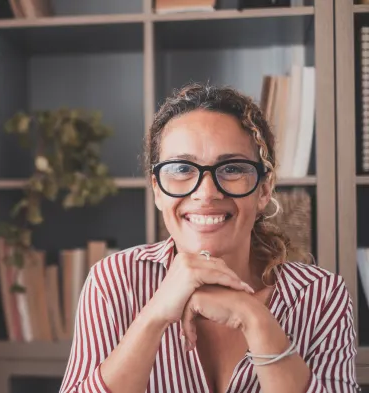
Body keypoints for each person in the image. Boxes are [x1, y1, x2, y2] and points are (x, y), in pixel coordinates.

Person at [58, 83, 359, 393]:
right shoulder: (114, 281)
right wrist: (154, 316)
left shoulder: (320, 296)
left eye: (231, 168)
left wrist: (253, 318)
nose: (206, 193)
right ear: (157, 189)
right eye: (180, 168)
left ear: (264, 190)